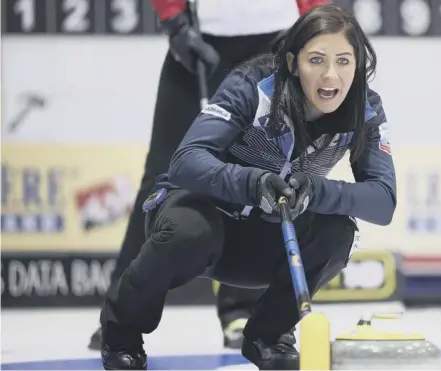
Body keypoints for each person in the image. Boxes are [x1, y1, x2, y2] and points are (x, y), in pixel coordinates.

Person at [99, 4, 396, 370]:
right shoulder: (254, 85)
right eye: (316, 60)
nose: (330, 76)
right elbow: (186, 160)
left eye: (344, 61)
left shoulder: (365, 108)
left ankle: (268, 337)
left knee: (339, 231)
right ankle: (121, 334)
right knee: (189, 229)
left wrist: (316, 191)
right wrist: (253, 183)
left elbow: (383, 201)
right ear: (292, 62)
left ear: (359, 64)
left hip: (265, 238)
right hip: (207, 225)